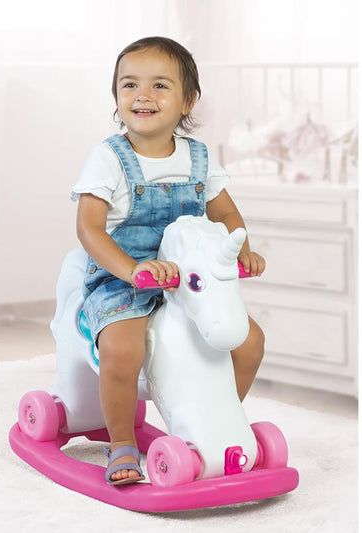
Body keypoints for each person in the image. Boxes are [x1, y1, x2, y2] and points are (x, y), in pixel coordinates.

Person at [71, 36, 266, 486]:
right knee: (123, 347)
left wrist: (242, 249)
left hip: (188, 279)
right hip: (124, 277)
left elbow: (226, 215)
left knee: (249, 341)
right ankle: (121, 440)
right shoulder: (108, 158)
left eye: (160, 85)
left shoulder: (198, 157)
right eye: (130, 84)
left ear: (187, 100)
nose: (143, 95)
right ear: (116, 96)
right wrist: (132, 269)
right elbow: (89, 229)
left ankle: (218, 423)